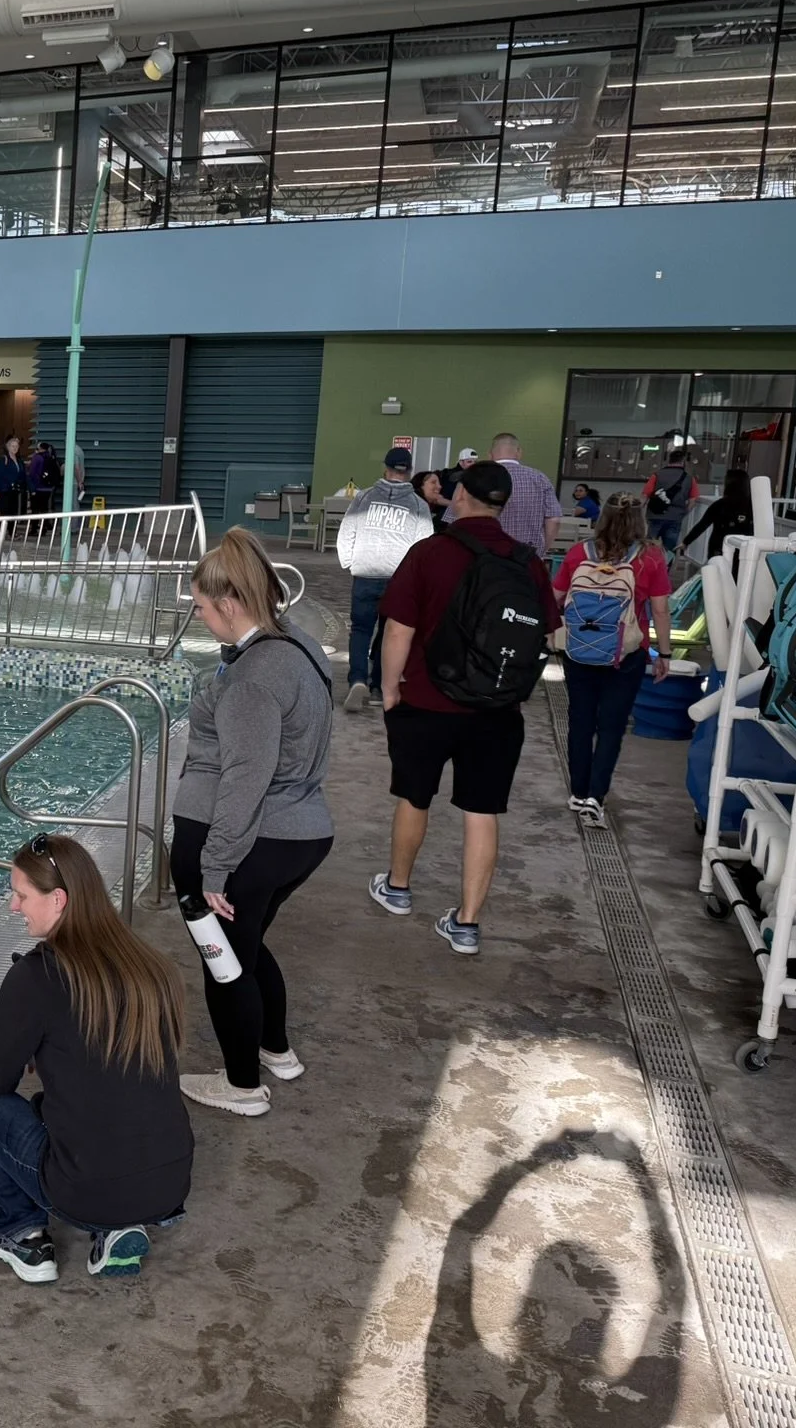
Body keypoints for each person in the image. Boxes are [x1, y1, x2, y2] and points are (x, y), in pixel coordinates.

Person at [0, 834, 191, 1283]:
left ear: (58, 900)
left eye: (21, 895)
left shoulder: (35, 977)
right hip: (169, 1184)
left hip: (85, 1191)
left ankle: (21, 1228)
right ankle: (116, 1226)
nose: (14, 906)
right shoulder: (152, 966)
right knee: (78, 1113)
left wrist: (27, 1042)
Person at [172, 528, 334, 1117]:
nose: (197, 616)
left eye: (201, 606)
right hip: (304, 832)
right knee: (248, 945)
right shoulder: (298, 645)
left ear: (230, 603)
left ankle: (241, 1086)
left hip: (249, 841)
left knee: (225, 964)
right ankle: (276, 1050)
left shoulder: (252, 679)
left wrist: (214, 866)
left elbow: (246, 775)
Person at [370, 462, 561, 957]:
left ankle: (397, 888)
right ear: (503, 505)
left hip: (426, 701)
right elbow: (547, 634)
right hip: (497, 710)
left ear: (459, 498)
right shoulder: (527, 562)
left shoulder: (430, 552)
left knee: (414, 797)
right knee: (482, 811)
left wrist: (389, 688)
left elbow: (398, 630)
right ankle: (467, 924)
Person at [553, 494, 671, 828]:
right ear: (640, 520)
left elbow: (555, 597)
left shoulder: (580, 553)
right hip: (627, 654)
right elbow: (660, 610)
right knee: (612, 727)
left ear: (602, 517)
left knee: (580, 721)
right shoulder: (650, 558)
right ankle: (596, 796)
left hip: (580, 651)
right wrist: (664, 653)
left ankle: (578, 792)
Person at [334, 447, 434, 713]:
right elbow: (424, 547)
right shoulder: (419, 506)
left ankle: (357, 679)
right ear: (409, 472)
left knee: (361, 629)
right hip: (398, 579)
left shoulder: (364, 497)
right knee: (389, 633)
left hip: (365, 573)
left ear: (385, 468)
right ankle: (378, 686)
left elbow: (347, 530)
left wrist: (349, 562)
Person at [483, 433, 563, 554]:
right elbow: (554, 519)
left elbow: (457, 518)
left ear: (490, 454)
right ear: (519, 452)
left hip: (487, 554)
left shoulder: (479, 478)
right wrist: (542, 550)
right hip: (528, 554)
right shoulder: (539, 478)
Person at [643, 446, 699, 554]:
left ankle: (650, 562)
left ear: (669, 460)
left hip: (655, 515)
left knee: (649, 546)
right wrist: (683, 513)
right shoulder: (689, 478)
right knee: (669, 549)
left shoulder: (657, 475)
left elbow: (645, 495)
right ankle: (666, 564)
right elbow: (693, 500)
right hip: (675, 517)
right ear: (683, 461)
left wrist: (639, 512)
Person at [689, 467, 755, 559]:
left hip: (719, 548)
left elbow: (702, 525)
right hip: (745, 552)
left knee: (717, 568)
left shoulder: (720, 505)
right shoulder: (753, 507)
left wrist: (686, 542)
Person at [0, 436, 27, 518]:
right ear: (8, 447)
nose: (15, 448)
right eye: (13, 446)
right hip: (5, 490)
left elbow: (23, 475)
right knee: (5, 513)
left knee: (13, 513)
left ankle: (11, 527)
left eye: (16, 446)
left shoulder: (19, 461)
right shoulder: (4, 459)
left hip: (15, 490)